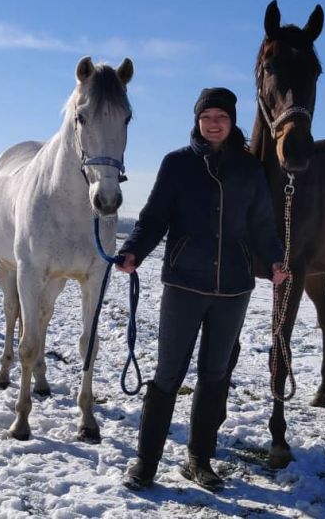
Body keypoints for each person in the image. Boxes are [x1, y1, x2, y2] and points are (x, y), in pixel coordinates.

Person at [116, 87, 288, 492]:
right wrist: (133, 250)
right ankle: (147, 461)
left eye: (221, 117)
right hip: (184, 283)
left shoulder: (249, 169)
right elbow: (154, 216)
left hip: (233, 287)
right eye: (207, 116)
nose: (214, 124)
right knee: (167, 375)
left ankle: (199, 459)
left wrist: (276, 258)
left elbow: (262, 223)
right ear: (197, 121)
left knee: (215, 375)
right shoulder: (177, 164)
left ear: (232, 122)